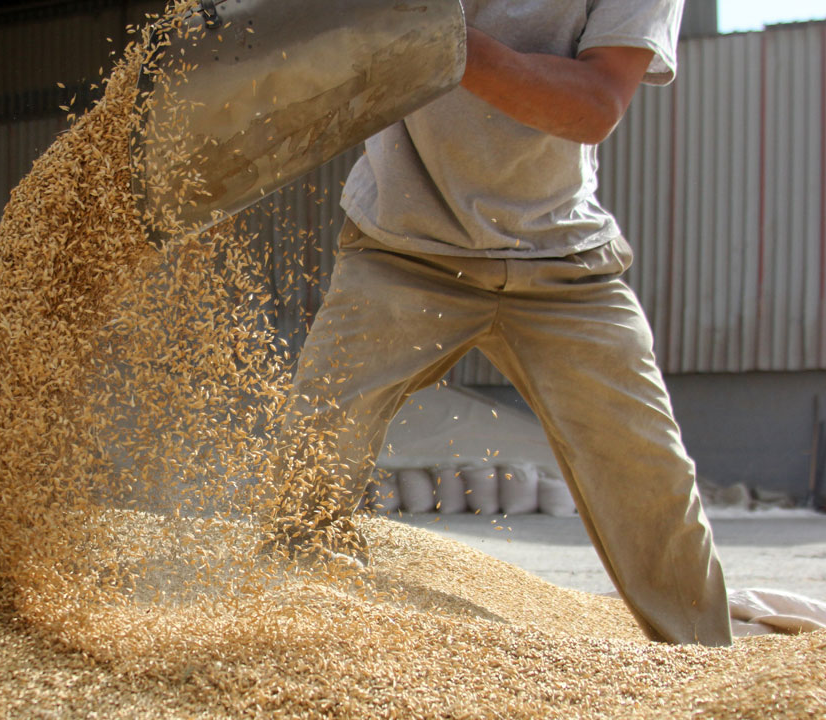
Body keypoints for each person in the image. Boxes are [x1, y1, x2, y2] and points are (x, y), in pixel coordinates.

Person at [265, 0, 734, 647]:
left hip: (561, 261)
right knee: (319, 440)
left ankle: (709, 667)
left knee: (650, 476)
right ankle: (283, 633)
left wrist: (438, 36)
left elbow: (595, 105)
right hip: (403, 243)